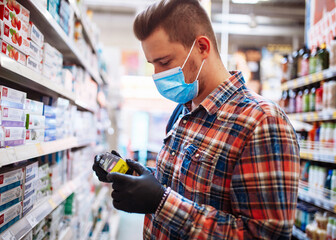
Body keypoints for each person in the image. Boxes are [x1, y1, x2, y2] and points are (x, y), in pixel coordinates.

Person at [93, 0, 300, 239]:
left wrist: (161, 203)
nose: (157, 75)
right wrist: (136, 177)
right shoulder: (184, 110)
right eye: (153, 65)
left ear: (202, 47)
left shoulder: (262, 122)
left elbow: (265, 235)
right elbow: (188, 186)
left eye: (165, 62)